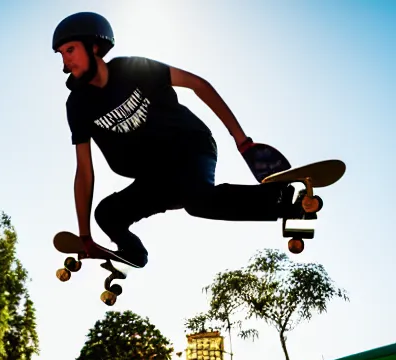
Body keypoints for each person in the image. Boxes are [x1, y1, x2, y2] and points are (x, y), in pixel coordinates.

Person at [52, 12, 306, 268]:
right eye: (61, 54)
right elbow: (84, 170)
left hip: (191, 147)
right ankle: (132, 253)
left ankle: (282, 201)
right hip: (156, 176)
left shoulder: (133, 69)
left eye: (70, 50)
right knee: (107, 214)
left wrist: (242, 141)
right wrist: (85, 236)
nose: (66, 60)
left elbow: (199, 85)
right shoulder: (77, 105)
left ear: (94, 46)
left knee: (198, 201)